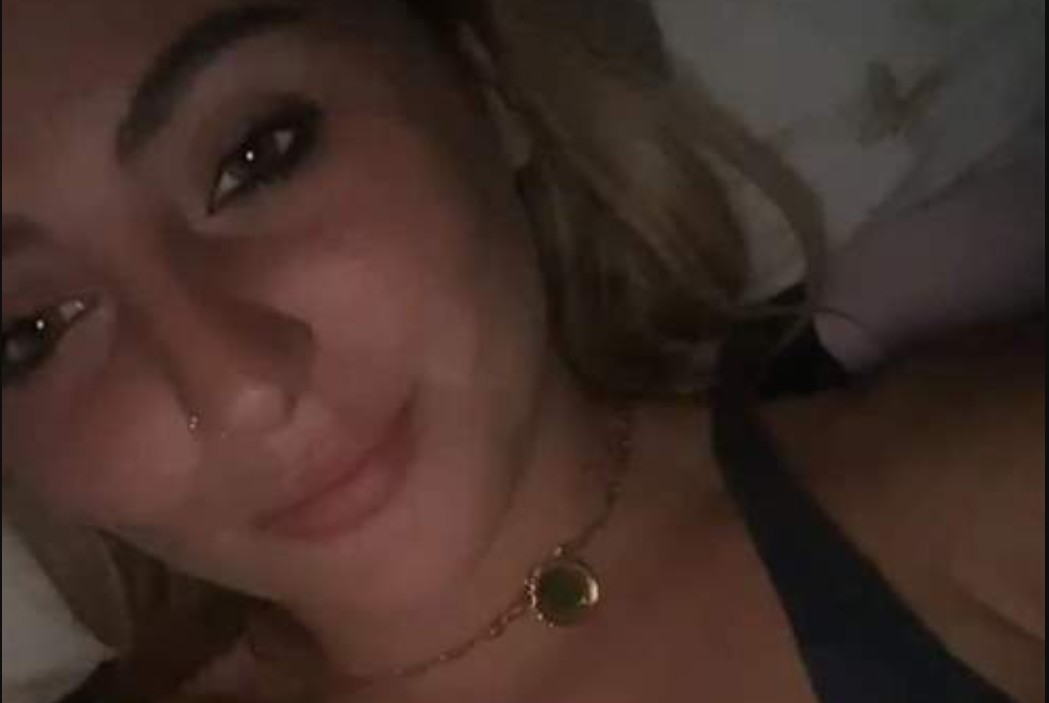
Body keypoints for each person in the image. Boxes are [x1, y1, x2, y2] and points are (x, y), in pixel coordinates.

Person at [2, 1, 1043, 702]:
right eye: (31, 331)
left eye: (256, 155)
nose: (237, 386)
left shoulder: (977, 514)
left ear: (483, 84)